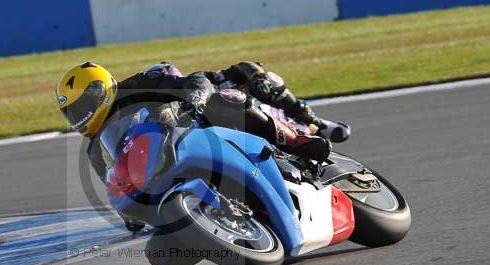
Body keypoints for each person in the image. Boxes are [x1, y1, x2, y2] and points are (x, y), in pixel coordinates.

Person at [56, 61, 337, 184]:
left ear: (98, 91)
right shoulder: (95, 147)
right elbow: (111, 183)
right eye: (72, 112)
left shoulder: (142, 84)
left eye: (81, 106)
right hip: (169, 161)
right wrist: (129, 213)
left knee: (238, 89)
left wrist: (196, 99)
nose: (79, 115)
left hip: (206, 123)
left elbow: (198, 81)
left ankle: (305, 130)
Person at [204, 61, 350, 143]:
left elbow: (246, 66)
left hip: (256, 109)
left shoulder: (209, 79)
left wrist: (258, 77)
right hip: (235, 130)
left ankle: (318, 124)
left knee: (268, 81)